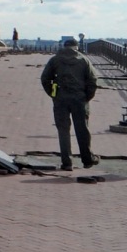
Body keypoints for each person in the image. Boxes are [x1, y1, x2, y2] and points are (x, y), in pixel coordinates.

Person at [40, 36, 101, 170]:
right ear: (76, 47)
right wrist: (87, 97)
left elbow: (45, 79)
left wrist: (53, 94)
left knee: (63, 130)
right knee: (82, 129)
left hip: (61, 99)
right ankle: (87, 160)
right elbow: (93, 81)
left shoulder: (55, 60)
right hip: (79, 99)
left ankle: (67, 162)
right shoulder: (84, 60)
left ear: (64, 46)